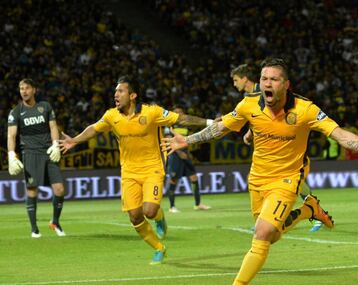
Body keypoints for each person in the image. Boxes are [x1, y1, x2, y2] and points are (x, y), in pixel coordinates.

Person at [162, 57, 358, 285]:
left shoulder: (305, 109)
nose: (267, 83)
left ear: (286, 84)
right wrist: (189, 140)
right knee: (270, 235)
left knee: (261, 233)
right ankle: (308, 210)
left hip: (287, 178)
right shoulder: (249, 104)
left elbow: (341, 136)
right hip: (257, 179)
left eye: (274, 79)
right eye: (264, 79)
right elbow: (221, 128)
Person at [58, 75, 213, 265]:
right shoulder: (111, 116)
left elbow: (181, 119)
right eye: (115, 91)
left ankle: (159, 217)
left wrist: (210, 123)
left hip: (153, 169)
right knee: (134, 216)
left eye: (120, 91)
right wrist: (74, 140)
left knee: (149, 210)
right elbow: (93, 129)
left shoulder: (152, 112)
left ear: (133, 96)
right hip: (129, 172)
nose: (116, 94)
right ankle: (159, 248)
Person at [231, 63, 324, 232]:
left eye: (236, 80)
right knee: (294, 184)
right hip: (270, 148)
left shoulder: (264, 89)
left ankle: (313, 212)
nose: (234, 84)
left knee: (296, 182)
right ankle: (307, 211)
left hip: (287, 144)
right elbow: (260, 118)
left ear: (245, 79)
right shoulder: (252, 95)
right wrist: (250, 132)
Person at [7, 78, 65, 238]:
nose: (24, 91)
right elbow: (11, 135)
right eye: (21, 88)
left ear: (34, 90)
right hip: (30, 153)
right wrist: (11, 154)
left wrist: (55, 144)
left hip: (48, 152)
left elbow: (53, 126)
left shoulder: (45, 107)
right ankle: (34, 229)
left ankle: (55, 221)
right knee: (32, 190)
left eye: (27, 88)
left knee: (59, 189)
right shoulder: (16, 112)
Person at [164, 106, 211, 213]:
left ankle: (198, 204)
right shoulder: (169, 126)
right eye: (176, 112)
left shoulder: (186, 127)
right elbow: (169, 142)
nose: (179, 114)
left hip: (185, 155)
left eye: (180, 112)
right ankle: (172, 207)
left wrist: (186, 153)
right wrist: (180, 153)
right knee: (173, 180)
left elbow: (186, 141)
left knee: (194, 178)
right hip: (175, 156)